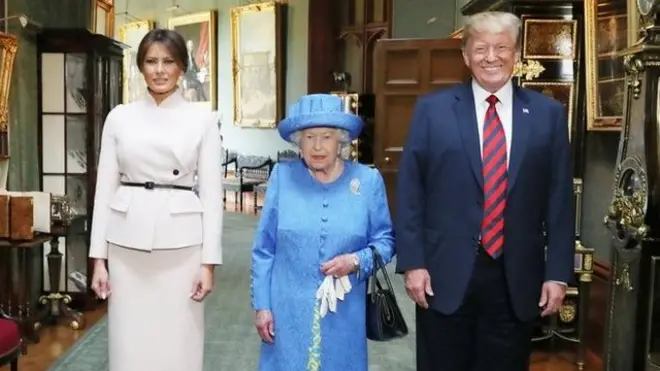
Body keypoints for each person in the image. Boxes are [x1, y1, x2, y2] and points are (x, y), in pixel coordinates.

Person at [395, 11, 574, 371]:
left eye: (501, 47)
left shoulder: (548, 115)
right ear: (465, 55)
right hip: (444, 273)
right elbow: (411, 191)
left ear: (517, 54)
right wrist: (413, 262)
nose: (491, 57)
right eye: (480, 48)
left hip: (516, 277)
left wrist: (557, 272)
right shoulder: (433, 111)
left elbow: (559, 200)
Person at [88, 28, 223, 371]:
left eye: (168, 61)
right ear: (140, 67)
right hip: (125, 245)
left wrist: (208, 264)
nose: (159, 70)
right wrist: (98, 260)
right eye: (151, 61)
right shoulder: (119, 117)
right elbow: (104, 189)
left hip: (181, 248)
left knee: (179, 343)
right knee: (128, 344)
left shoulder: (203, 119)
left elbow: (211, 194)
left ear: (181, 67)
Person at [251, 94, 395, 371]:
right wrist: (263, 305)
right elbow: (264, 249)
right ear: (298, 141)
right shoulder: (282, 177)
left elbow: (386, 241)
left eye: (327, 137)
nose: (317, 146)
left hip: (345, 313)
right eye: (309, 137)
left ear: (340, 140)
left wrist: (356, 261)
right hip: (287, 310)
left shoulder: (367, 181)